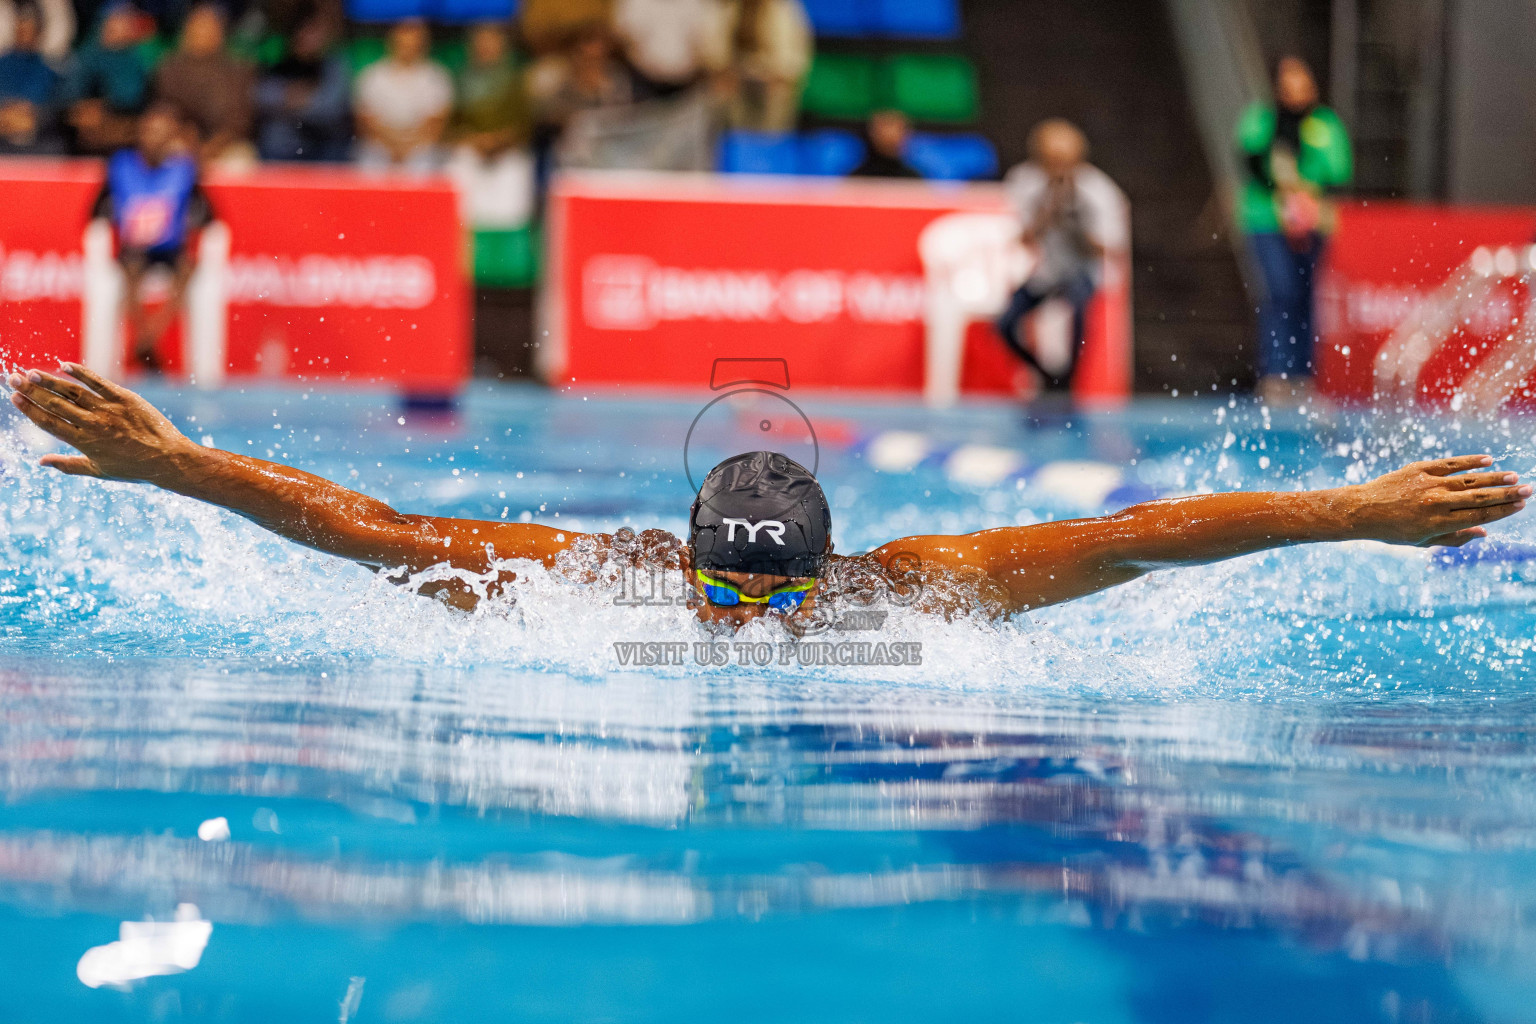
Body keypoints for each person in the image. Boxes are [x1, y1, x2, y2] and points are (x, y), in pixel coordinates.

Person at [6, 368, 1529, 628]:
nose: (740, 621)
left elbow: (1135, 539)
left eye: (766, 594)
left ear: (824, 572)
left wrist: (1351, 508)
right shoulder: (598, 582)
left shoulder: (910, 589)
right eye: (722, 591)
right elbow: (377, 530)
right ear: (682, 561)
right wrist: (179, 463)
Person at [1237, 56, 1352, 407]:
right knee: (1280, 292)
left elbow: (1338, 172)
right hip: (1267, 221)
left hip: (1314, 222)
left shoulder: (1325, 123)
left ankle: (1303, 375)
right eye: (1287, 82)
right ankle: (1276, 373)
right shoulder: (1260, 119)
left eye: (1300, 81)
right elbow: (1250, 162)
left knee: (1306, 295)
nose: (1294, 90)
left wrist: (1306, 195)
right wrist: (1283, 190)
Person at [996, 118, 1127, 394]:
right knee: (1005, 322)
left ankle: (1069, 381)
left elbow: (1109, 249)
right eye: (1050, 162)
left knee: (1078, 307)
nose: (1057, 170)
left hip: (1081, 271)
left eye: (1064, 163)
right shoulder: (1025, 182)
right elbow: (1021, 239)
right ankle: (1044, 374)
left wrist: (1078, 222)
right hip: (1046, 272)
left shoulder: (1098, 190)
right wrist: (1046, 214)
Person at [90, 101, 213, 369]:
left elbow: (208, 215)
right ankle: (147, 341)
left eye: (163, 133)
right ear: (140, 134)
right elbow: (96, 211)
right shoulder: (121, 165)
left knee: (187, 270)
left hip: (171, 250)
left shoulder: (184, 170)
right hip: (133, 250)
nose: (155, 139)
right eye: (150, 131)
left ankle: (148, 340)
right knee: (132, 270)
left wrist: (190, 223)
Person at [445, 22, 534, 228]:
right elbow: (451, 126)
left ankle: (511, 234)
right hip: (470, 149)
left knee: (514, 172)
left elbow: (525, 125)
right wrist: (475, 140)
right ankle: (462, 232)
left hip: (508, 151)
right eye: (481, 42)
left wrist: (499, 140)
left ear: (502, 45)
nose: (485, 47)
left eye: (491, 41)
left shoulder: (517, 80)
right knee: (458, 166)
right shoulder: (460, 79)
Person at [152, 2, 257, 167]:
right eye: (198, 26)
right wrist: (186, 138)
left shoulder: (239, 70)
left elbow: (240, 121)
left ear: (220, 31)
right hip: (183, 141)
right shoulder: (169, 69)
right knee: (169, 154)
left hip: (227, 145)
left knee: (239, 163)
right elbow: (167, 110)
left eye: (209, 26)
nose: (202, 32)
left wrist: (212, 147)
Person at [352, 17, 452, 174]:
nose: (408, 48)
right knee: (371, 163)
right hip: (380, 146)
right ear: (392, 42)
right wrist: (393, 146)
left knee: (423, 163)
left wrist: (407, 147)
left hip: (419, 147)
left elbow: (436, 124)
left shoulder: (435, 78)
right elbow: (365, 122)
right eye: (403, 43)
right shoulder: (372, 76)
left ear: (423, 45)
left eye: (413, 43)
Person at [253, 10, 349, 161]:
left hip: (324, 142)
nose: (308, 38)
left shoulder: (333, 65)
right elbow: (260, 96)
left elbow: (331, 108)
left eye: (314, 33)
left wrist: (293, 101)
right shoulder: (280, 61)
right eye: (303, 32)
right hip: (285, 142)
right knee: (274, 134)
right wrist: (293, 97)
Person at [703, 0, 810, 133]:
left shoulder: (783, 8)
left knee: (780, 91)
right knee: (716, 89)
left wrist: (764, 72)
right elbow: (713, 56)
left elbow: (791, 63)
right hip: (734, 85)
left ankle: (770, 138)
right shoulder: (727, 7)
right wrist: (728, 72)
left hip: (769, 87)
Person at [60, 1, 151, 155]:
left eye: (127, 20)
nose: (124, 25)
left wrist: (107, 109)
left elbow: (134, 97)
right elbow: (66, 98)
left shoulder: (135, 59)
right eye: (118, 19)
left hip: (124, 127)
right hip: (84, 131)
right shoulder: (86, 56)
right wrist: (84, 109)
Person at [611, 0, 715, 96]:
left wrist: (688, 71)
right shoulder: (633, 3)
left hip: (687, 84)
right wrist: (653, 71)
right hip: (644, 84)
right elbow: (625, 43)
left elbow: (700, 44)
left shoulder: (694, 4)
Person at [0, 2, 62, 154]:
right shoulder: (3, 64)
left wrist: (32, 116)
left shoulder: (48, 70)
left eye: (30, 29)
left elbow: (49, 107)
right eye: (21, 28)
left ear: (39, 32)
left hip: (35, 139)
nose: (24, 34)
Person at [849, 108, 918, 179]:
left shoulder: (913, 178)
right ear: (871, 133)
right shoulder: (857, 178)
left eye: (901, 128)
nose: (892, 133)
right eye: (888, 124)